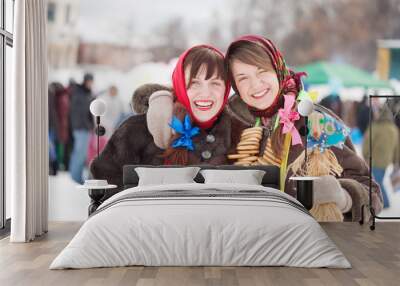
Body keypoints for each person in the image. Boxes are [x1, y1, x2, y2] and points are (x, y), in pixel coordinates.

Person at [224, 35, 383, 222]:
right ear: (235, 86)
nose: (255, 84)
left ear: (278, 69)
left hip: (309, 245)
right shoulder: (231, 128)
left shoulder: (318, 122)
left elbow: (372, 193)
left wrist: (343, 197)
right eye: (243, 78)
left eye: (262, 71)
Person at [90, 45, 237, 196]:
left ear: (226, 89)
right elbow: (103, 181)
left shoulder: (239, 134)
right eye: (194, 83)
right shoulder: (137, 130)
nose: (206, 93)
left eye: (215, 83)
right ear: (180, 83)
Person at [362, 105, 399, 208]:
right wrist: (396, 161)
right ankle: (379, 202)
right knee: (378, 181)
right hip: (386, 161)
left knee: (377, 182)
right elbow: (397, 147)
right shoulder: (394, 128)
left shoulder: (375, 127)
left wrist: (365, 156)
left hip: (374, 160)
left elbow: (367, 143)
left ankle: (384, 203)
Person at [69, 73, 95, 184]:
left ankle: (77, 177)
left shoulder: (86, 93)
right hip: (81, 128)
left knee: (82, 154)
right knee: (79, 154)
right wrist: (89, 126)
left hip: (83, 128)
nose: (91, 84)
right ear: (85, 81)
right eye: (89, 81)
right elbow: (81, 113)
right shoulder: (80, 94)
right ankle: (75, 178)